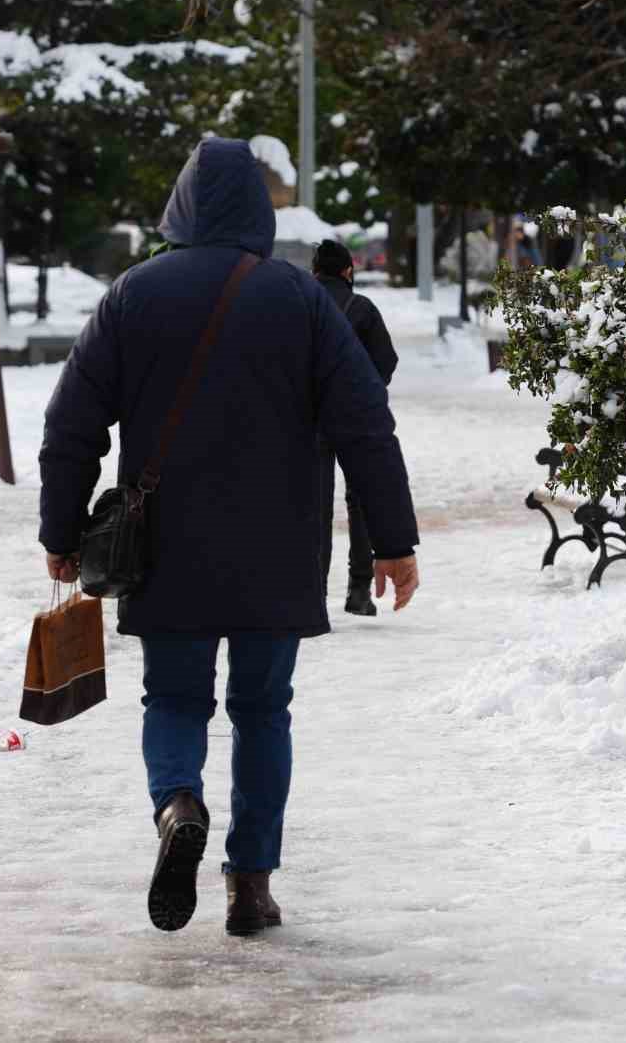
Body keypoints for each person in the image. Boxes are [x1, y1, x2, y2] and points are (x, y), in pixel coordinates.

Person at [38, 138, 421, 937]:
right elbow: (365, 423)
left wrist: (61, 529)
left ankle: (178, 802)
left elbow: (71, 423)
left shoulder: (133, 294)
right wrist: (392, 540)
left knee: (174, 697)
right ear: (257, 211)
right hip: (278, 546)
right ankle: (251, 884)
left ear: (178, 208)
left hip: (165, 543)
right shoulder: (301, 298)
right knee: (263, 709)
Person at [311, 238, 398, 617]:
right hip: (355, 420)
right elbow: (386, 360)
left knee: (314, 505)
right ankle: (359, 590)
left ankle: (313, 594)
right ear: (348, 271)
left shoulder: (299, 304)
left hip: (309, 422)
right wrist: (365, 393)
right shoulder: (361, 308)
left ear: (315, 271)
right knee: (360, 502)